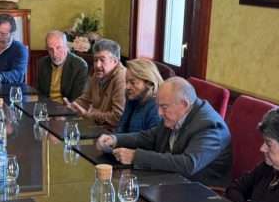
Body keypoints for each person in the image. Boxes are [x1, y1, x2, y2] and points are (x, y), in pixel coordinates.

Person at [97, 77, 232, 186]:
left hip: (200, 191)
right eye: (158, 106)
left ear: (184, 104)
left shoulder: (210, 126)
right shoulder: (176, 114)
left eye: (164, 107)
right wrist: (115, 139)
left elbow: (188, 164)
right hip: (171, 181)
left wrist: (135, 156)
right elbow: (151, 136)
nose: (159, 113)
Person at [66, 37, 127, 128]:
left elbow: (118, 117)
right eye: (95, 60)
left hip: (115, 132)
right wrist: (70, 107)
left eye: (102, 60)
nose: (97, 65)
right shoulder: (97, 74)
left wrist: (90, 115)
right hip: (98, 127)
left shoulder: (122, 78)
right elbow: (85, 99)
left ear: (115, 61)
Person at [36, 30, 88, 102]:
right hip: (46, 105)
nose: (55, 54)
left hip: (67, 107)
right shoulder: (42, 63)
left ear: (66, 47)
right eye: (50, 49)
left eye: (58, 48)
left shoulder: (80, 66)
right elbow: (40, 94)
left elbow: (76, 99)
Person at [116, 58, 163, 134]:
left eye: (132, 82)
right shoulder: (132, 98)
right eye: (126, 82)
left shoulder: (156, 108)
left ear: (149, 83)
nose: (127, 87)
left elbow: (152, 140)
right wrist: (112, 138)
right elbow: (120, 128)